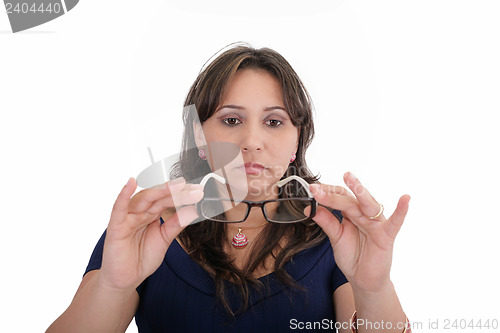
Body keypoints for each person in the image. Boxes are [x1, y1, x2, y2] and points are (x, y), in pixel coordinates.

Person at [47, 43, 412, 333]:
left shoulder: (336, 233)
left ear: (297, 142)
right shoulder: (144, 228)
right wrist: (112, 288)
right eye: (232, 119)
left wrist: (374, 289)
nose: (252, 141)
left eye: (273, 121)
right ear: (199, 137)